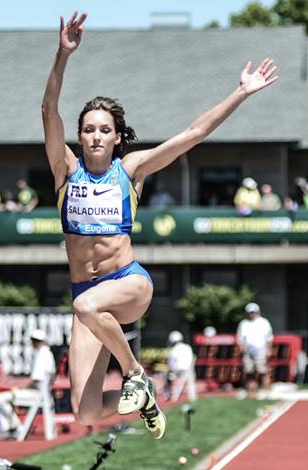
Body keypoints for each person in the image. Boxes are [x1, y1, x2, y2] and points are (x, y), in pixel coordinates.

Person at [42, 12, 278, 439]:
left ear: (117, 137)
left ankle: (135, 374)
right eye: (88, 129)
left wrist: (240, 93)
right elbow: (48, 110)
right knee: (86, 411)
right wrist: (63, 54)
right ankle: (144, 399)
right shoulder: (65, 171)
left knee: (85, 306)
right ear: (78, 136)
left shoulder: (130, 170)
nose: (96, 136)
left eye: (104, 130)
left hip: (128, 285)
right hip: (87, 298)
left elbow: (191, 134)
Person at [0, 329, 57, 437]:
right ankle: (14, 427)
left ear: (35, 341)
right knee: (4, 398)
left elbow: (36, 378)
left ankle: (16, 428)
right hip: (43, 393)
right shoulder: (47, 353)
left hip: (38, 394)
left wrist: (22, 389)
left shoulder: (42, 355)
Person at [236, 302, 274, 389]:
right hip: (248, 351)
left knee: (262, 370)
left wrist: (268, 350)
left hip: (261, 350)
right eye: (250, 312)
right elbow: (240, 339)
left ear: (257, 312)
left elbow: (269, 338)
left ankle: (265, 389)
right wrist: (242, 348)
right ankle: (249, 390)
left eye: (253, 312)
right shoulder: (244, 324)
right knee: (248, 371)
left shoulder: (264, 322)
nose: (251, 314)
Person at [165, 330, 197, 402]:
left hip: (178, 370)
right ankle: (192, 398)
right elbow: (192, 358)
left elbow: (171, 364)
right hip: (188, 369)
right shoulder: (187, 347)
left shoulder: (173, 350)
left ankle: (172, 398)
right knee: (190, 381)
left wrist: (171, 372)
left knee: (175, 382)